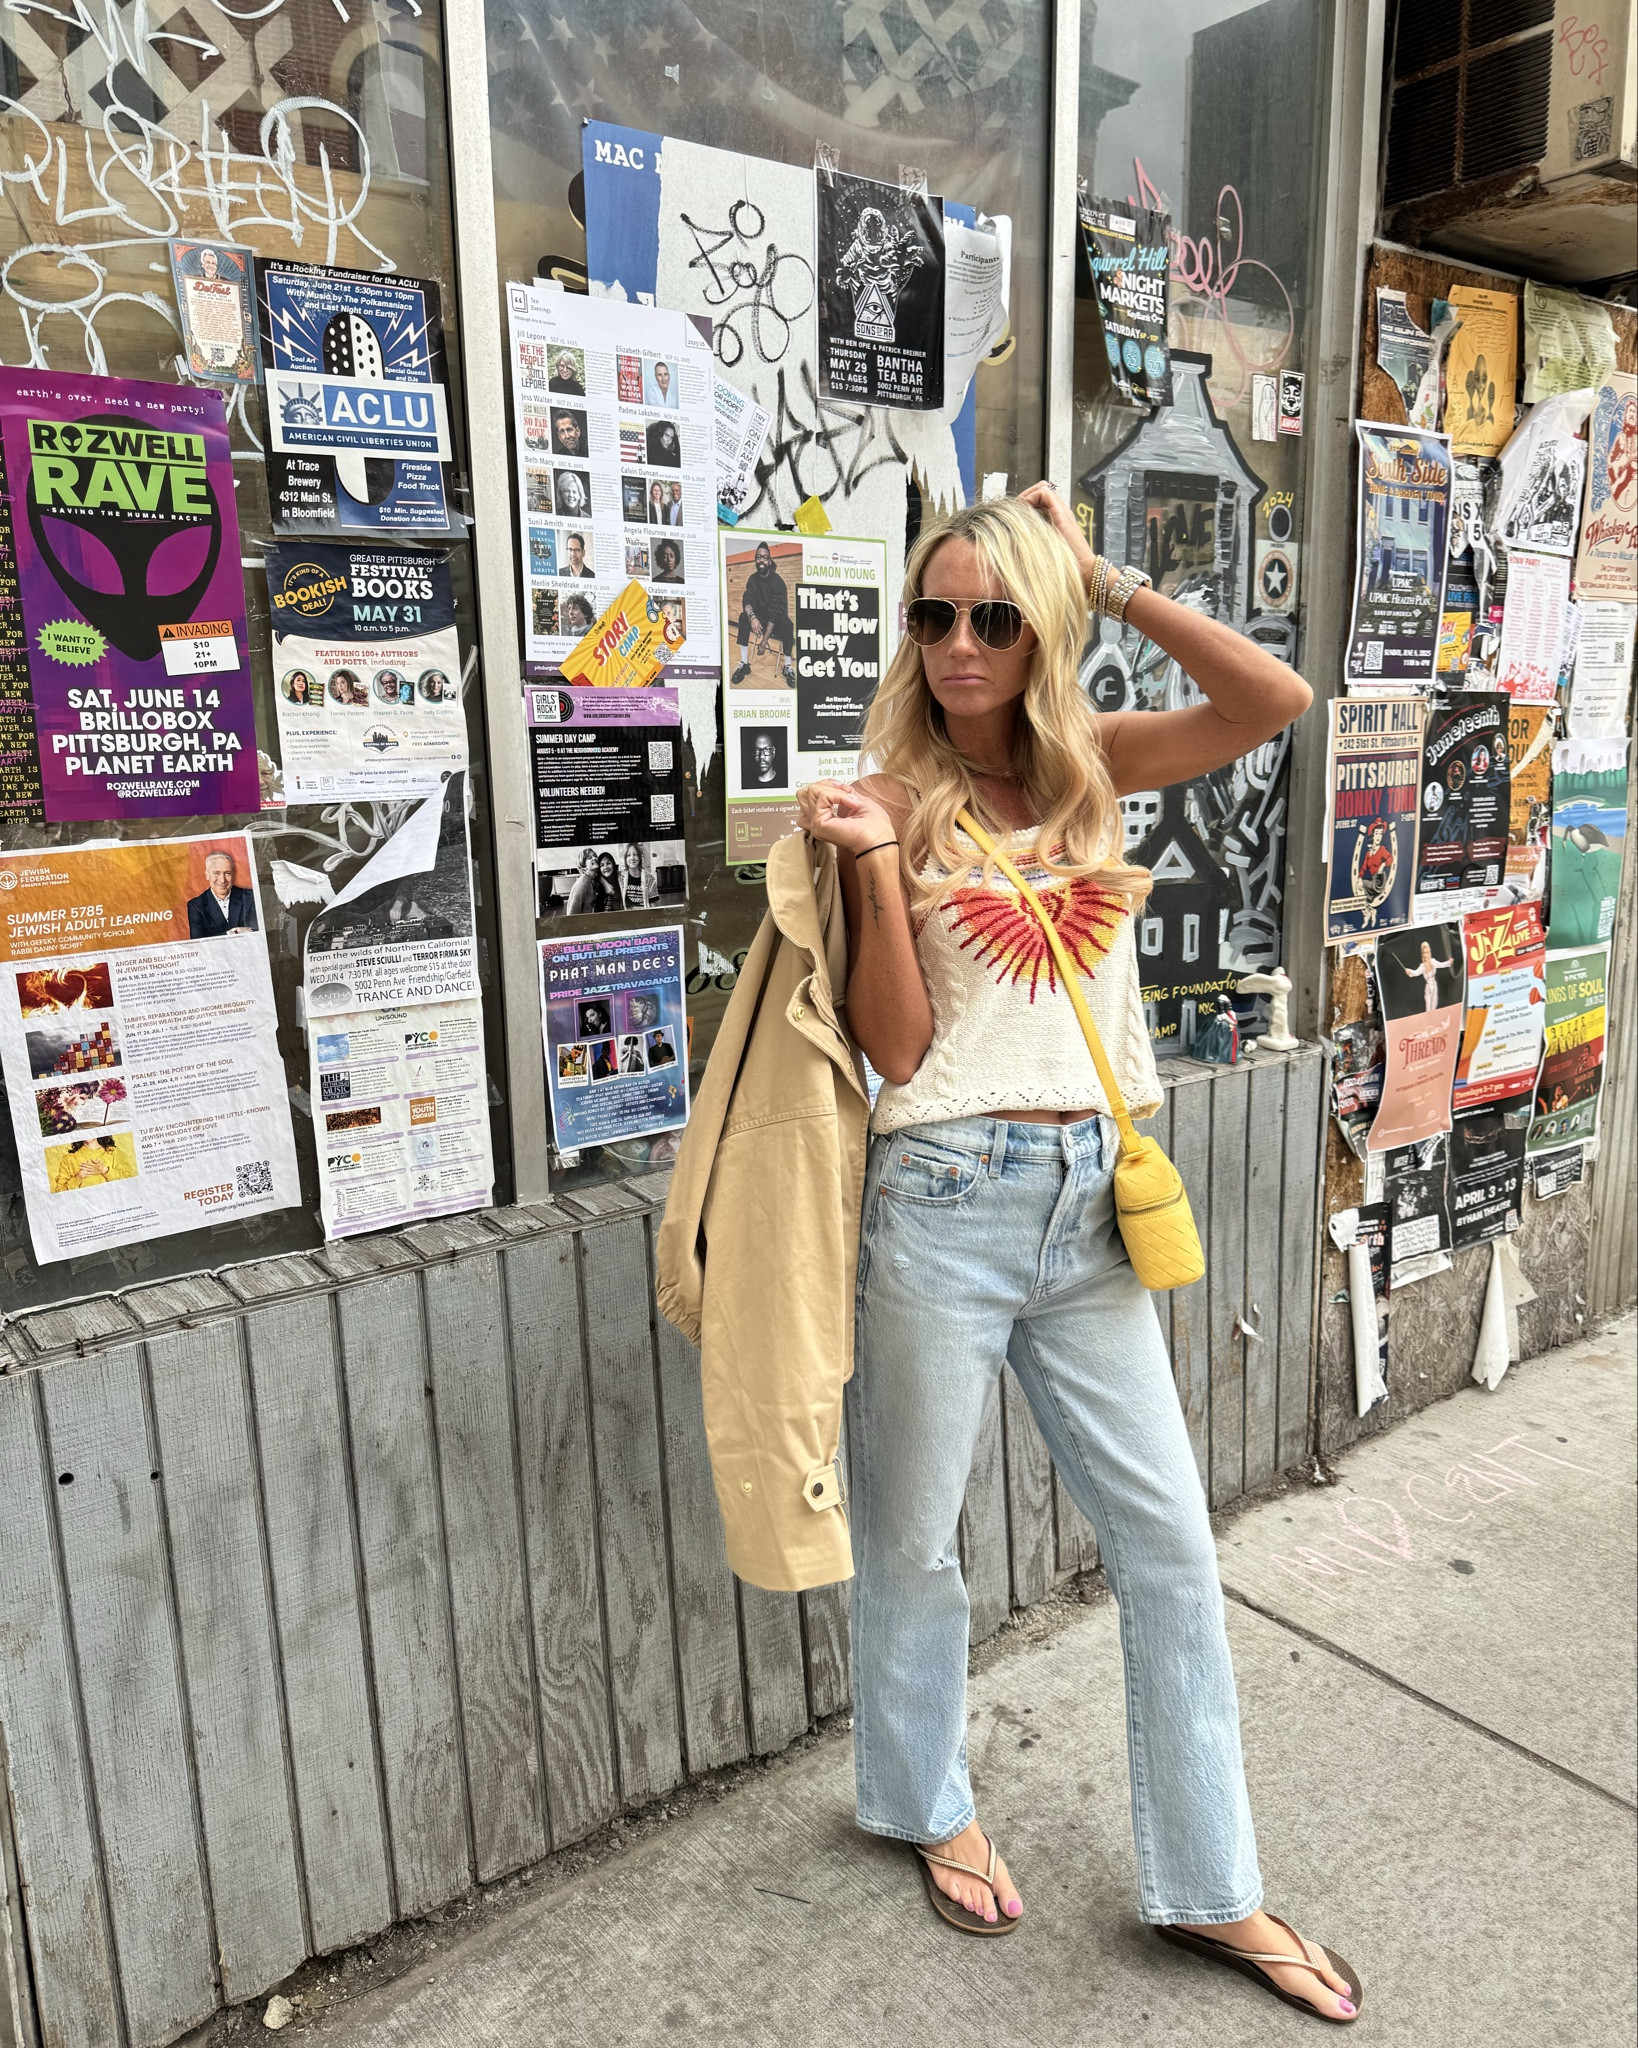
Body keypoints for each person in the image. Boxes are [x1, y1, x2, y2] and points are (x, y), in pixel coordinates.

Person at [789, 489, 1358, 2022]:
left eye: (994, 615)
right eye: (933, 615)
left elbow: (1273, 701)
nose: (960, 646)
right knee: (914, 1538)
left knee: (1168, 1543)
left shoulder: (1094, 767)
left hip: (1094, 1203)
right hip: (944, 1196)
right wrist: (862, 867)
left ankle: (1209, 1886)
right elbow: (896, 1048)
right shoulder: (891, 796)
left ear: (1042, 626)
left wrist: (1104, 575)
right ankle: (919, 1799)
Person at [730, 541, 795, 683]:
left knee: (788, 625)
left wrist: (764, 642)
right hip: (759, 620)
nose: (762, 560)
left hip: (775, 621)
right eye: (759, 556)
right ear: (755, 559)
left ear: (770, 561)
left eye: (765, 557)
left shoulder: (778, 582)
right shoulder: (752, 579)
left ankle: (788, 666)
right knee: (743, 618)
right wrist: (752, 618)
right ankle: (744, 664)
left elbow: (775, 613)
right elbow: (747, 599)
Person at [188, 850, 258, 937]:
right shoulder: (196, 906)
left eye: (227, 873)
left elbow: (260, 930)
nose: (222, 880)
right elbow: (198, 942)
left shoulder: (250, 896)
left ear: (233, 874)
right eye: (216, 873)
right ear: (207, 875)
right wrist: (233, 933)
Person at [1401, 937, 1453, 1014]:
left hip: (1434, 986)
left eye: (1427, 952)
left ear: (1429, 952)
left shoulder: (1433, 962)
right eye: (1424, 953)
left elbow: (1442, 965)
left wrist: (1449, 962)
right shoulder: (1422, 966)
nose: (1426, 954)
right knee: (1428, 1008)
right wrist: (1409, 971)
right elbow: (1415, 973)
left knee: (1434, 1005)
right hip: (1428, 988)